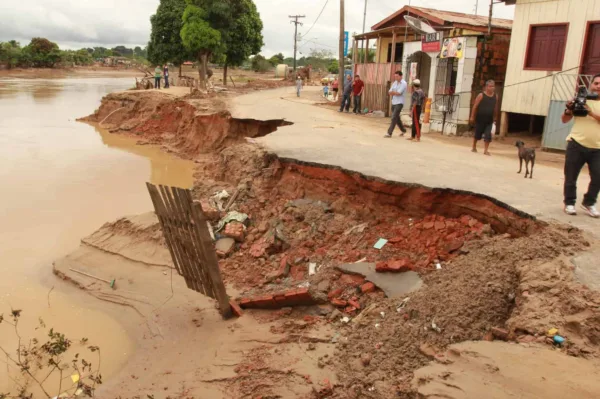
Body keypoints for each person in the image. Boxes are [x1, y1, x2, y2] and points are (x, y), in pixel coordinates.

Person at [561, 73, 600, 218]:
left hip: (598, 148)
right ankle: (569, 203)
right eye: (596, 83)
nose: (598, 86)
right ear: (591, 85)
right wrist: (569, 108)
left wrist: (590, 112)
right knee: (571, 176)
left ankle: (589, 203)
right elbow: (564, 120)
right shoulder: (581, 100)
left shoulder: (589, 106)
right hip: (576, 144)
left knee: (598, 177)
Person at [470, 80, 499, 155]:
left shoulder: (495, 96)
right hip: (480, 119)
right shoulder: (481, 95)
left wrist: (495, 117)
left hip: (489, 120)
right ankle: (474, 146)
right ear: (486, 87)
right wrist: (472, 116)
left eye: (493, 86)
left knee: (488, 135)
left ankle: (485, 150)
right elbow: (475, 106)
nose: (492, 88)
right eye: (490, 86)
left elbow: (495, 107)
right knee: (477, 133)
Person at [385, 71, 408, 138]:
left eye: (397, 76)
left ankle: (389, 133)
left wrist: (393, 92)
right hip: (394, 102)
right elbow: (389, 91)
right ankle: (403, 130)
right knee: (397, 118)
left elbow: (399, 93)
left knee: (394, 117)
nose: (396, 77)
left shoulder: (404, 83)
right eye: (395, 76)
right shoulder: (395, 82)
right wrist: (394, 92)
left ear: (401, 76)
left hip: (400, 102)